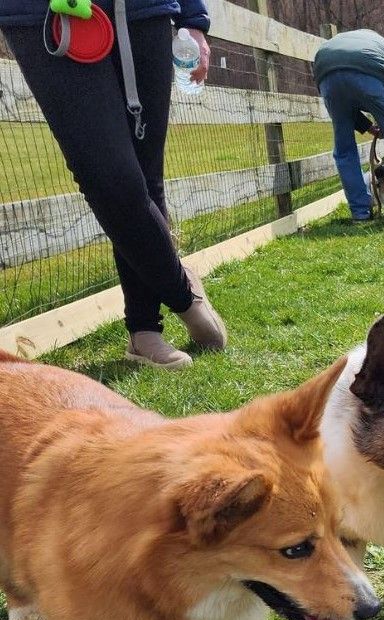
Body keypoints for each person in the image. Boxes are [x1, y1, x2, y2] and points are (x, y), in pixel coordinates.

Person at [1, 0, 227, 368]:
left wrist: (193, 19)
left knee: (145, 178)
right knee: (110, 179)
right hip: (45, 13)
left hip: (143, 11)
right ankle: (184, 293)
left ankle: (144, 331)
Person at [312, 29, 384, 225]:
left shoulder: (339, 43)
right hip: (370, 70)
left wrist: (368, 126)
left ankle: (360, 213)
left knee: (344, 149)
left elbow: (341, 101)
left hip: (326, 72)